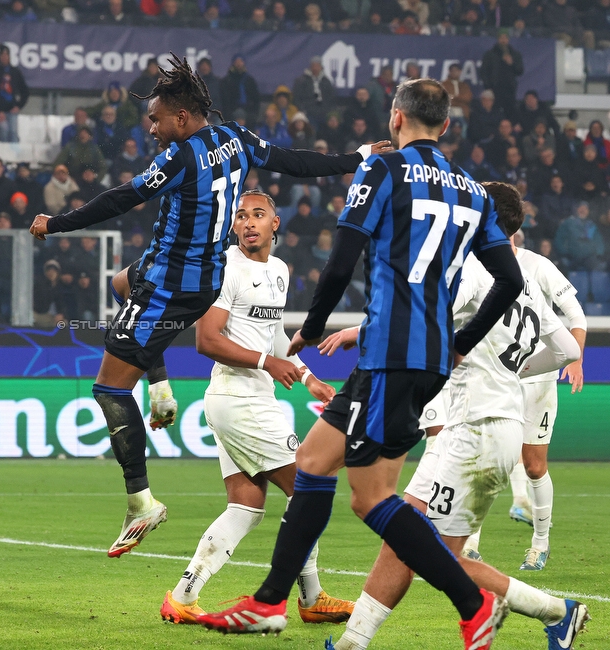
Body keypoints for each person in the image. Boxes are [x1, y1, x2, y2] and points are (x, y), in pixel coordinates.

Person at [197, 79, 523, 648]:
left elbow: (344, 256)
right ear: (445, 126)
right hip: (422, 359)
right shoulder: (474, 191)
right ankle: (271, 601)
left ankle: (474, 606)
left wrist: (312, 328)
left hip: (390, 353)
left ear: (396, 118)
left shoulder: (382, 170)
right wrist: (462, 339)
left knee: (371, 497)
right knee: (314, 461)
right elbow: (510, 279)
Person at [29, 55, 389, 559]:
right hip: (197, 278)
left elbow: (121, 198)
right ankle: (160, 390)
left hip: (171, 283)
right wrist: (356, 156)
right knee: (119, 284)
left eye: (156, 119)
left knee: (109, 388)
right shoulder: (237, 138)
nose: (150, 128)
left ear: (181, 117)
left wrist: (57, 223)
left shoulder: (179, 157)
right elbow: (294, 161)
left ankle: (141, 502)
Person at [323, 182, 588, 650]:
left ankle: (557, 611)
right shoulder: (523, 285)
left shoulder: (474, 270)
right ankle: (352, 641)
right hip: (479, 425)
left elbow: (422, 317)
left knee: (434, 554)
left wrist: (357, 331)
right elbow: (567, 349)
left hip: (476, 428)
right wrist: (514, 369)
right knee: (403, 533)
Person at [160, 191, 353, 626]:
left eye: (258, 215)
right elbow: (207, 340)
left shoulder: (280, 271)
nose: (249, 222)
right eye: (241, 216)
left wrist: (307, 377)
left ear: (275, 223)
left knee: (245, 506)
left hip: (248, 398)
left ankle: (182, 596)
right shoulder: (226, 267)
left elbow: (272, 337)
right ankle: (312, 597)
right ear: (233, 227)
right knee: (307, 489)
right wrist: (270, 363)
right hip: (237, 397)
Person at [460, 226, 587, 570]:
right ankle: (470, 544)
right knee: (485, 457)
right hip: (494, 378)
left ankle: (540, 544)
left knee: (533, 465)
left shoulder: (538, 266)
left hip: (537, 378)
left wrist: (576, 359)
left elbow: (575, 315)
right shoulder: (474, 266)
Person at [0, 46, 29, 143]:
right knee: (3, 130)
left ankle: (15, 156)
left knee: (13, 132)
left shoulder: (15, 72)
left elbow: (25, 91)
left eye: (6, 55)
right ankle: (2, 156)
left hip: (11, 109)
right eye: (2, 55)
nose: (4, 57)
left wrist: (19, 106)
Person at [480, 32, 524, 121]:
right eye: (501, 38)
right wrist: (488, 87)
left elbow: (520, 71)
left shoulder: (515, 54)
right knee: (494, 112)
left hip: (509, 89)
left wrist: (512, 64)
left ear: (508, 40)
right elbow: (484, 72)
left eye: (505, 38)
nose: (503, 41)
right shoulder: (490, 54)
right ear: (497, 39)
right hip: (495, 88)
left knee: (510, 113)